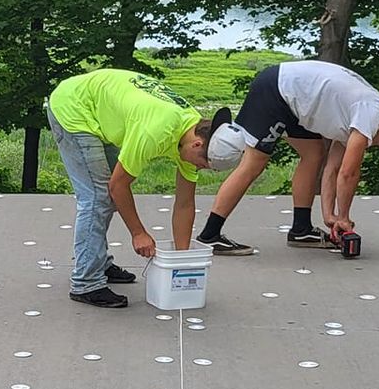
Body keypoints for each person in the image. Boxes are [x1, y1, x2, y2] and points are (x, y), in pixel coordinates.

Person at [44, 68, 240, 309]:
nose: (200, 169)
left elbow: (185, 204)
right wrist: (138, 233)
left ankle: (98, 263)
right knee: (98, 197)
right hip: (74, 106)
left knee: (106, 195)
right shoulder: (155, 132)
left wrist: (178, 264)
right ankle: (86, 282)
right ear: (198, 144)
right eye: (203, 163)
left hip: (100, 105)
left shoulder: (194, 131)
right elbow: (118, 186)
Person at [194, 59, 379, 253]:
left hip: (294, 101)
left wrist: (331, 216)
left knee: (314, 154)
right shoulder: (370, 113)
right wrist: (345, 217)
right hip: (277, 91)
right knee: (255, 162)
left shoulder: (362, 117)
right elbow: (350, 173)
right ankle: (210, 234)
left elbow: (334, 169)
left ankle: (301, 229)